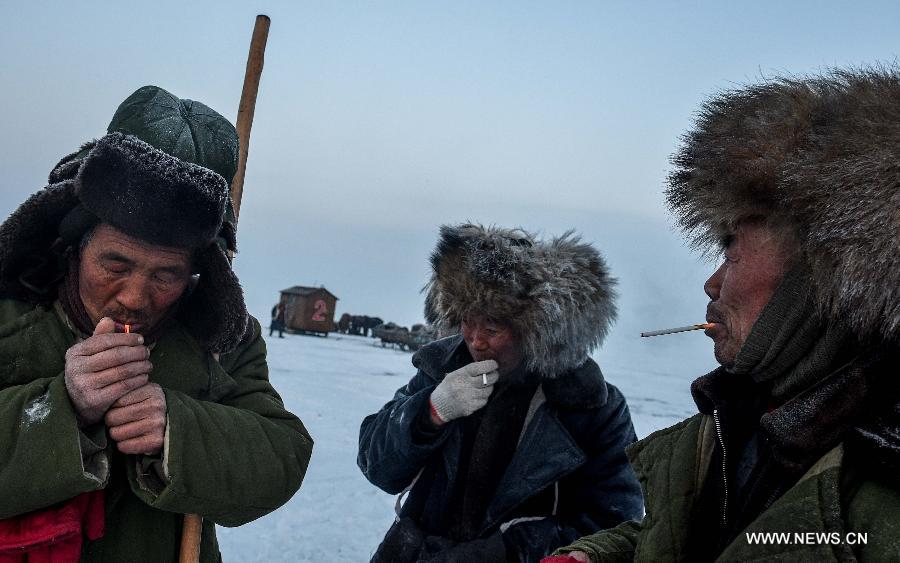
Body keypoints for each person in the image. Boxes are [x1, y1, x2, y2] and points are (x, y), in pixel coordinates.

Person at [552, 68, 899, 561]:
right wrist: (596, 555)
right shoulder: (738, 422)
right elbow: (698, 538)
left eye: (731, 247)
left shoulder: (882, 483)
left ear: (822, 267)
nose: (711, 283)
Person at [0, 86, 313, 562]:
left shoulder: (222, 341)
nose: (134, 297)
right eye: (116, 265)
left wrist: (179, 431)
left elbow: (281, 457)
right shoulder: (9, 311)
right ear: (77, 243)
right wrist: (65, 410)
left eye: (166, 274)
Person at [358, 224, 643, 563]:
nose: (475, 340)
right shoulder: (438, 371)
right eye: (467, 321)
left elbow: (614, 524)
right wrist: (430, 411)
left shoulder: (591, 405)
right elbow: (376, 465)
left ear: (534, 330)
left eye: (492, 329)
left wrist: (505, 551)